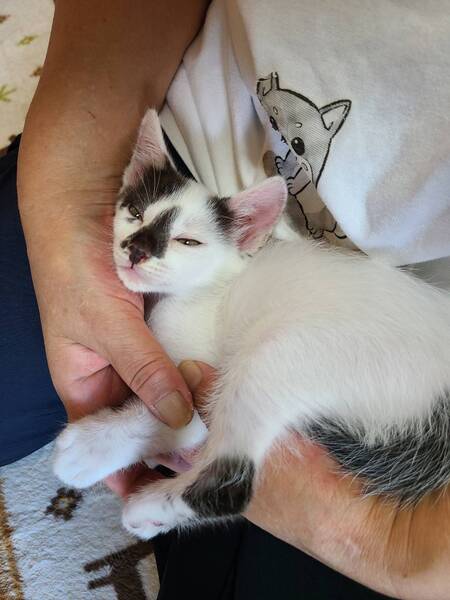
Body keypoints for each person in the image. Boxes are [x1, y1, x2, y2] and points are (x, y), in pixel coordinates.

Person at [1, 1, 449, 598]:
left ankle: (224, 478)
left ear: (244, 240)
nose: (141, 249)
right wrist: (69, 194)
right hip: (197, 134)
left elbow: (193, 391)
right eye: (135, 216)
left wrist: (134, 430)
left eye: (186, 241)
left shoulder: (214, 296)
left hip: (408, 377)